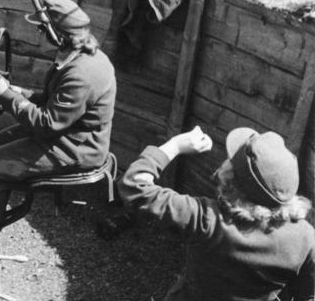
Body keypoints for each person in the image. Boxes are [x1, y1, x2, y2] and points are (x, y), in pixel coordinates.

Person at [0, 0, 116, 260]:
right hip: (66, 135)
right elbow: (52, 102)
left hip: (74, 149)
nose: (39, 33)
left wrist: (7, 95)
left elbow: (47, 123)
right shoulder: (75, 57)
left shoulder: (81, 74)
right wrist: (16, 90)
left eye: (43, 29)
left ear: (59, 35)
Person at [118, 126, 314, 301]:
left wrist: (175, 145)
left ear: (230, 178)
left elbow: (134, 185)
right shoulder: (306, 240)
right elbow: (306, 295)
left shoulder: (206, 218)